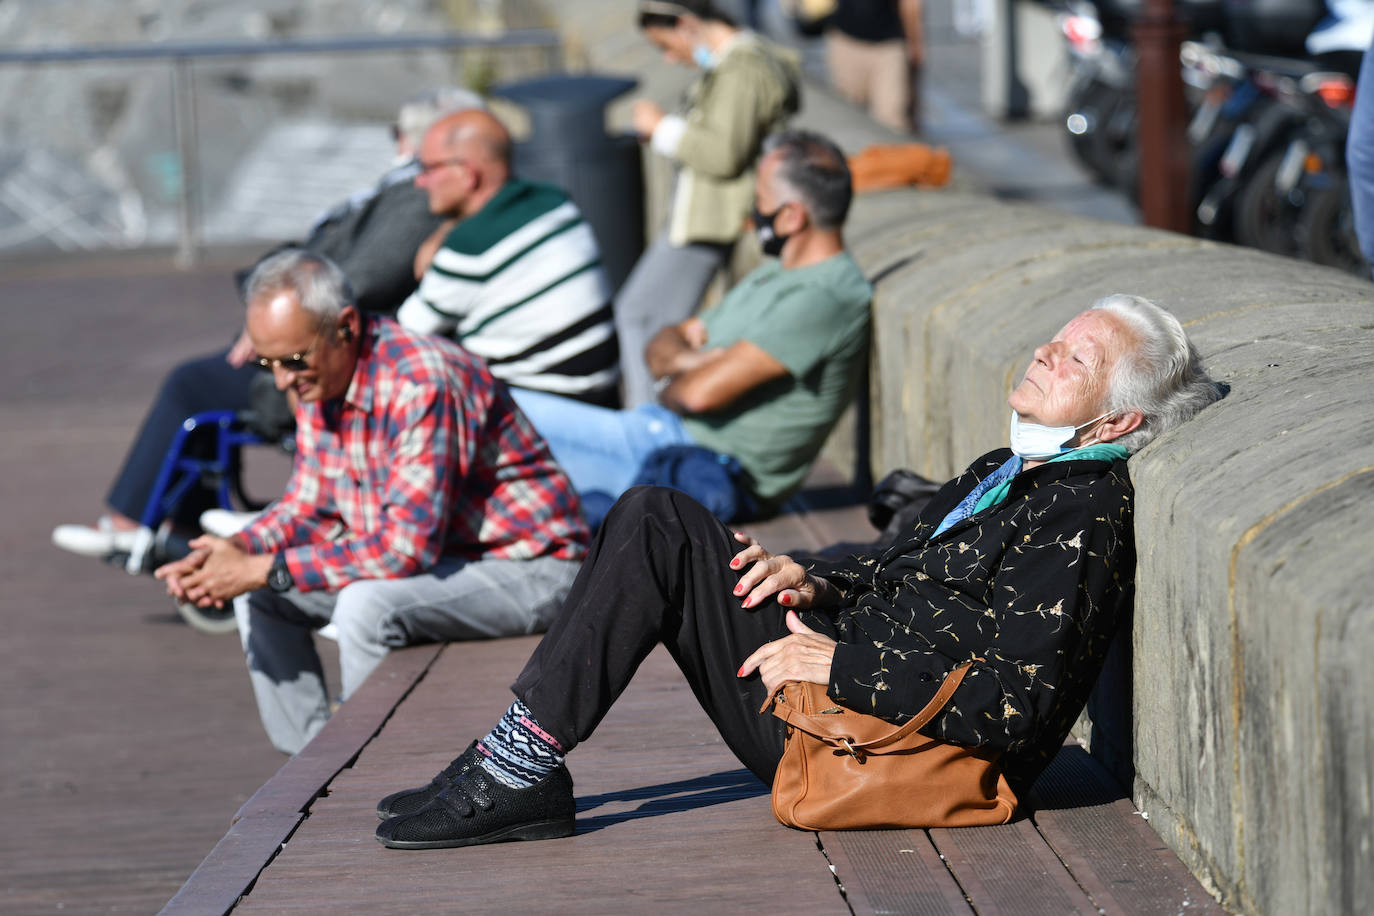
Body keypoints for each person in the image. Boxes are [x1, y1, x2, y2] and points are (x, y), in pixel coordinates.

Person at [369, 294, 1223, 850]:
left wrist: (836, 663)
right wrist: (810, 580)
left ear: (1117, 417)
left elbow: (1019, 703)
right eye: (1057, 337)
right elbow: (898, 568)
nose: (1045, 351)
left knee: (655, 522)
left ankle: (518, 768)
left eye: (1076, 358)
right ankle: (520, 758)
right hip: (843, 690)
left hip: (870, 740)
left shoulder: (1082, 509)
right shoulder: (1010, 466)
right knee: (657, 517)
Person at [153, 249, 588, 755]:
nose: (282, 381)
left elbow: (405, 551)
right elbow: (306, 507)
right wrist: (228, 555)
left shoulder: (422, 381)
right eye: (267, 363)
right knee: (258, 594)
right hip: (448, 557)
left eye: (294, 360)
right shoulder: (322, 379)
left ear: (346, 327)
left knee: (365, 604)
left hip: (532, 565)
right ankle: (312, 763)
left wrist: (263, 565)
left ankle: (373, 767)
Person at [51, 88, 483, 559]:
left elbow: (360, 278)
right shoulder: (409, 193)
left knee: (193, 383)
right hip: (316, 318)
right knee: (213, 376)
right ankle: (175, 525)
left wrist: (282, 310)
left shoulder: (413, 197)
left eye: (402, 135)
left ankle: (139, 521)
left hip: (332, 337)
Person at [509, 130, 872, 523]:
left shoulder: (824, 297)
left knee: (484, 405)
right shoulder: (776, 275)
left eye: (760, 200)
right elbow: (662, 342)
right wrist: (691, 361)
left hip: (691, 465)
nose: (752, 213)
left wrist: (681, 369)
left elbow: (697, 397)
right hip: (654, 435)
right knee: (481, 400)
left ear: (791, 216)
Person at [618, 0, 801, 407]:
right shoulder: (732, 66)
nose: (670, 58)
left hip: (710, 222)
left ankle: (648, 427)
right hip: (709, 220)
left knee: (642, 317)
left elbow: (722, 154)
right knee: (660, 324)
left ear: (687, 24)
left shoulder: (742, 68)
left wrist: (661, 128)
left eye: (667, 45)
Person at [395, 109, 621, 407]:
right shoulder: (554, 202)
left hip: (537, 409)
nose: (420, 182)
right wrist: (447, 229)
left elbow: (403, 336)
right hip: (603, 395)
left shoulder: (472, 248)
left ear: (466, 173)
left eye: (427, 168)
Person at [824, 0, 924, 134]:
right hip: (845, 39)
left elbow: (911, 4)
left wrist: (915, 43)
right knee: (847, 116)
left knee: (892, 118)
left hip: (889, 46)